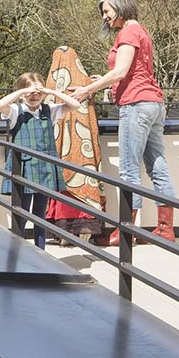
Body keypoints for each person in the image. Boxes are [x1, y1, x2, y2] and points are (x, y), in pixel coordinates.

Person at [73, 0, 177, 244]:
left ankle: (126, 232)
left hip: (136, 105)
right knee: (158, 167)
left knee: (129, 170)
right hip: (153, 103)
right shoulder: (140, 31)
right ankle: (165, 229)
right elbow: (132, 72)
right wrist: (103, 82)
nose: (104, 17)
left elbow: (120, 71)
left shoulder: (128, 33)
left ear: (121, 8)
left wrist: (87, 90)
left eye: (107, 11)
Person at [0, 73, 84, 250]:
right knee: (21, 211)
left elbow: (75, 105)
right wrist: (23, 90)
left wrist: (50, 90)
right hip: (24, 167)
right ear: (22, 93)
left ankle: (40, 251)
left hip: (45, 167)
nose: (34, 96)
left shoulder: (49, 110)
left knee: (40, 213)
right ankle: (17, 250)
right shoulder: (15, 111)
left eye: (38, 92)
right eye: (30, 92)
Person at [43, 45, 109, 241]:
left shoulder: (51, 84)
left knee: (62, 181)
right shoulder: (86, 83)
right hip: (84, 150)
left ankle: (62, 231)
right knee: (84, 179)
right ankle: (86, 229)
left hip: (61, 150)